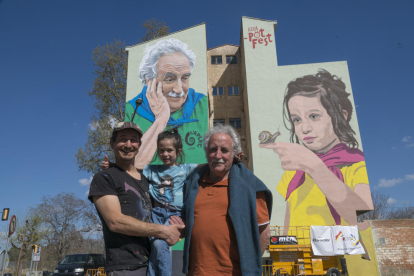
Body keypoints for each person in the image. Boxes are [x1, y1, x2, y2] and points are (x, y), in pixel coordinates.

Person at [259, 69, 373, 230]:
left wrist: (315, 167)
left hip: (343, 254)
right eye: (297, 120)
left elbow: (359, 214)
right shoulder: (294, 173)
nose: (304, 128)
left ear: (342, 115)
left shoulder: (356, 165)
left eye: (313, 116)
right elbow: (289, 224)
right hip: (300, 254)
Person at [170, 124, 273, 276]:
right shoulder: (193, 184)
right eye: (213, 149)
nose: (218, 155)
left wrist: (251, 265)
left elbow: (263, 233)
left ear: (234, 154)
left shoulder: (250, 187)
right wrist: (182, 229)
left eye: (224, 150)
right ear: (206, 153)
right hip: (197, 272)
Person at [88, 122, 184, 276]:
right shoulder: (104, 178)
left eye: (133, 140)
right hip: (125, 268)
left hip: (154, 263)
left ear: (139, 146)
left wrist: (177, 229)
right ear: (112, 144)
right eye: (123, 139)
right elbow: (115, 222)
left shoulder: (148, 180)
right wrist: (164, 231)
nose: (128, 144)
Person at [126, 38, 208, 167]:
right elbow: (132, 166)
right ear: (148, 81)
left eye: (185, 78)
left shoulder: (202, 104)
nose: (179, 89)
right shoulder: (132, 110)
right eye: (169, 79)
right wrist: (161, 119)